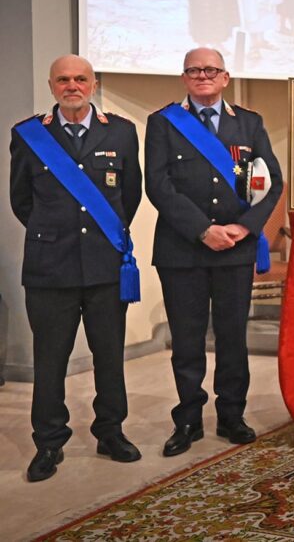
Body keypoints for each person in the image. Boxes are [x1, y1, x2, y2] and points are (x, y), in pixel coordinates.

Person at [10, 55, 143, 481]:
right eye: (63, 79)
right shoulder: (29, 135)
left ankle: (111, 432)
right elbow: (21, 201)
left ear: (94, 84)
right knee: (50, 361)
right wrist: (57, 233)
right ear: (52, 86)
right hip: (50, 270)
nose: (72, 85)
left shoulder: (121, 132)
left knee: (109, 357)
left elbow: (130, 196)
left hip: (105, 267)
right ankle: (49, 442)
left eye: (80, 79)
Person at [145, 47, 283, 456]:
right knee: (186, 340)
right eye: (194, 70)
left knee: (231, 338)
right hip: (182, 250)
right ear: (185, 78)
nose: (203, 75)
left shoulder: (250, 123)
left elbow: (271, 182)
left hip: (234, 249)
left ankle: (231, 415)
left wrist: (244, 227)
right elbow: (158, 184)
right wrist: (202, 230)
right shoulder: (163, 123)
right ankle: (187, 420)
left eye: (211, 70)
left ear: (225, 77)